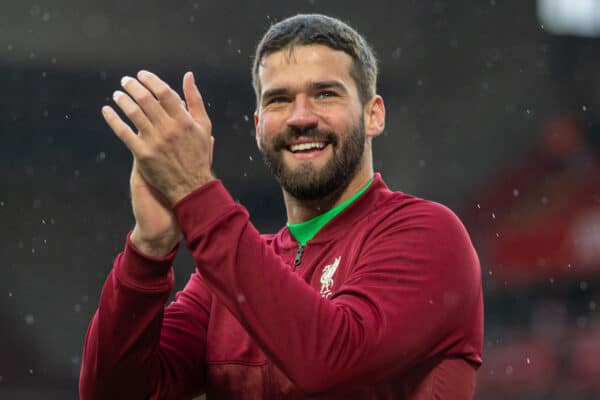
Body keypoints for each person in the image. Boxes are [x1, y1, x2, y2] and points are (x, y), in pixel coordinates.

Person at [79, 14, 483, 399]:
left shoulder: (428, 234)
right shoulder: (221, 286)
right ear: (258, 127)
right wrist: (148, 249)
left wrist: (193, 190)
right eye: (279, 100)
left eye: (325, 94)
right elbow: (112, 393)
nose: (301, 117)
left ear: (372, 114)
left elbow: (328, 362)